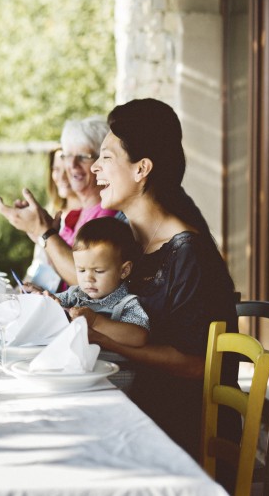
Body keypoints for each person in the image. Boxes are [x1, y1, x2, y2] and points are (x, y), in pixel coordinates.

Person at [87, 98, 237, 459]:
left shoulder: (187, 254)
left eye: (107, 157)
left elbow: (197, 364)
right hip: (134, 400)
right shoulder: (125, 233)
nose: (94, 167)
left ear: (142, 169)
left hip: (178, 426)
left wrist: (104, 336)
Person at [0, 117, 117, 289]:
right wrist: (37, 231)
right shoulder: (81, 212)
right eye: (68, 155)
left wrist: (44, 231)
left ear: (101, 162)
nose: (73, 165)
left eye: (84, 156)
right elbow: (63, 271)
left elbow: (85, 283)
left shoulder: (106, 215)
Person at [52, 216, 149, 348]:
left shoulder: (126, 304)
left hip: (111, 366)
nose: (88, 278)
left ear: (124, 271)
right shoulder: (74, 294)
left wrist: (95, 321)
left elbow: (138, 337)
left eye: (98, 271)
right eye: (81, 270)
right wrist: (45, 299)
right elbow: (52, 304)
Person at [24, 147, 83, 291]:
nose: (61, 177)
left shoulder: (89, 216)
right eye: (56, 169)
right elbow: (39, 264)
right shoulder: (51, 212)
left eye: (66, 170)